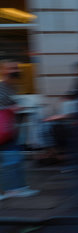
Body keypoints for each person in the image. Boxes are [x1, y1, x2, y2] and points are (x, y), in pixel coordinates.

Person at [0, 60, 39, 200]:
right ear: (5, 70)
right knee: (11, 160)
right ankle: (13, 189)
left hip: (9, 129)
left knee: (14, 159)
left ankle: (17, 188)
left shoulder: (10, 86)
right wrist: (12, 108)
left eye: (15, 68)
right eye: (12, 68)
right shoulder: (2, 86)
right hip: (4, 131)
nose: (15, 71)